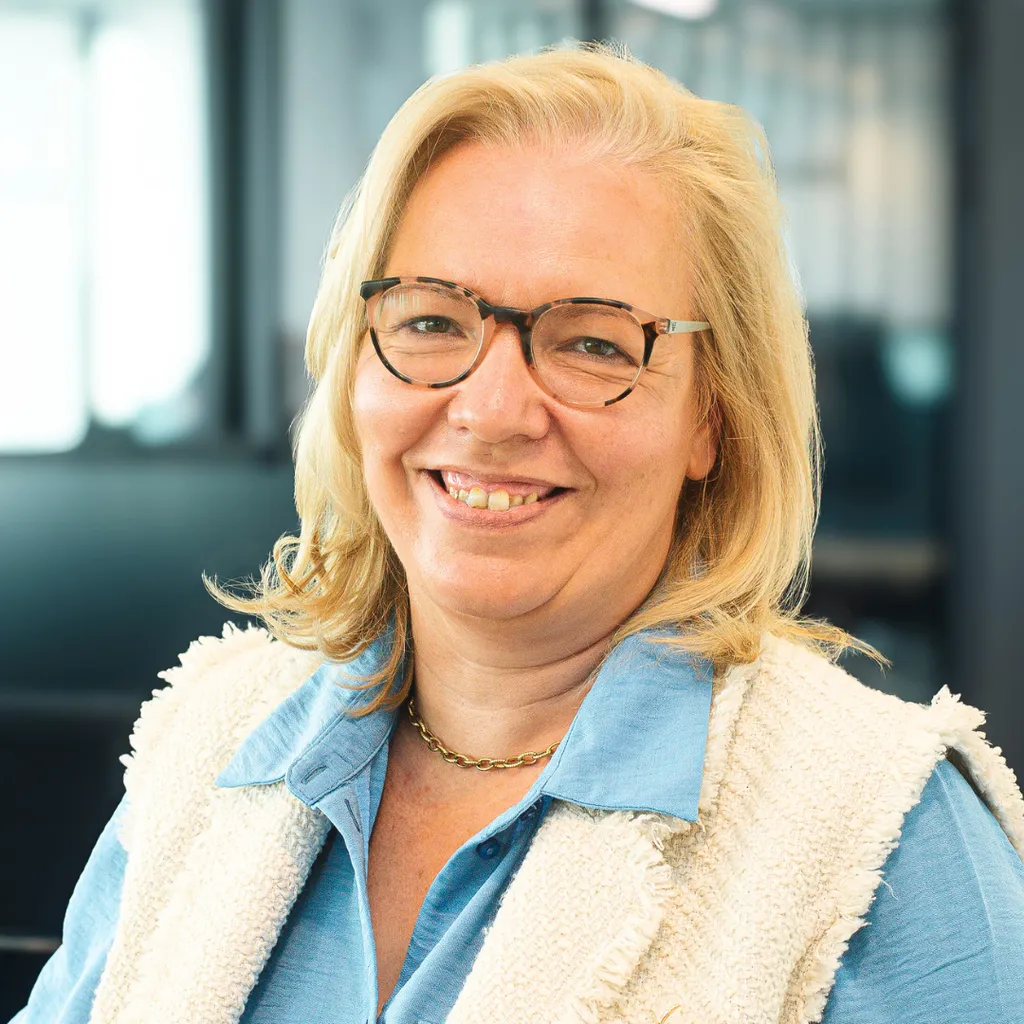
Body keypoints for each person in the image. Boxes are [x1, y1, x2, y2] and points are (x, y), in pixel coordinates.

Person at [12, 44, 1024, 1024]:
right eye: (430, 322)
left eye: (592, 342)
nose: (491, 410)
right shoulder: (212, 742)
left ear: (711, 418)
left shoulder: (885, 834)